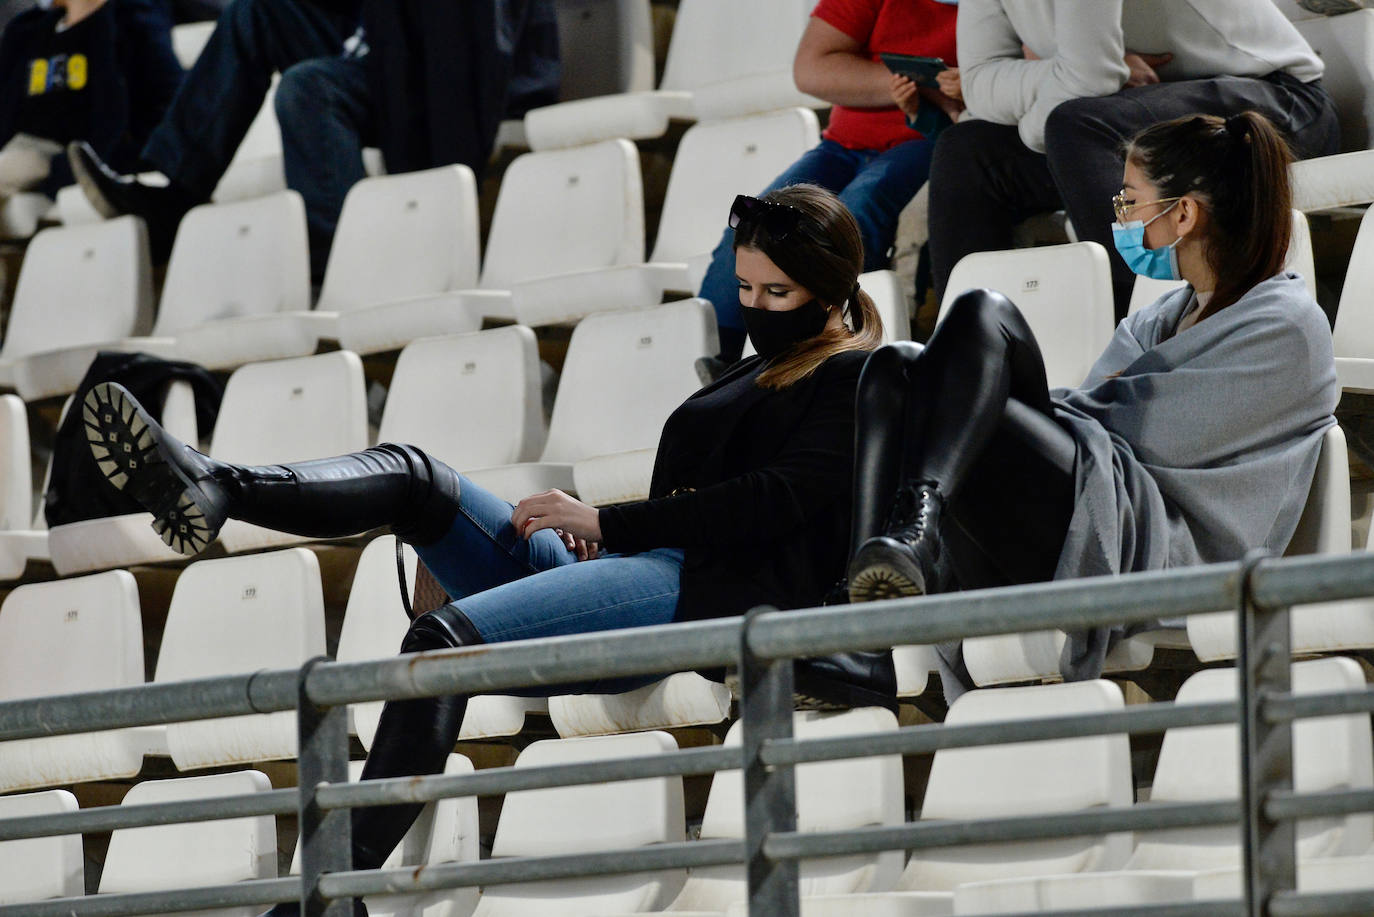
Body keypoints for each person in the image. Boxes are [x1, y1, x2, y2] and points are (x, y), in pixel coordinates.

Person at [82, 183, 887, 907]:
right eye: (744, 288)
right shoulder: (754, 371)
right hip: (640, 569)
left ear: (830, 292)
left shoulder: (851, 377)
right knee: (413, 477)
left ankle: (331, 891)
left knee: (441, 643)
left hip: (698, 597)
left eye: (777, 292)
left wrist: (607, 521)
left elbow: (772, 504)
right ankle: (218, 483)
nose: (755, 307)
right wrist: (607, 543)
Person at [847, 111, 1338, 698]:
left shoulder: (1286, 325)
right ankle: (864, 632)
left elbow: (1138, 431)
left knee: (984, 314)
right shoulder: (1163, 315)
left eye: (1130, 201)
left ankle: (912, 533)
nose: (1121, 218)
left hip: (1144, 545)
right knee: (895, 366)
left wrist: (1085, 400)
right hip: (1095, 499)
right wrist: (1094, 399)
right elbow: (1105, 409)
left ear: (1183, 213)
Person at [66, 0, 559, 276]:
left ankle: (344, 264)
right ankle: (177, 195)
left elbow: (473, 49)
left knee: (309, 88)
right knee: (256, 11)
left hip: (460, 81)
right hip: (391, 57)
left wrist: (438, 184)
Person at [928, 0, 1340, 321]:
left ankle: (1143, 340)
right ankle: (964, 356)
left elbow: (1088, 79)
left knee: (1076, 126)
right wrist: (1071, 75)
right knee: (966, 150)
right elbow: (980, 84)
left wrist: (1038, 120)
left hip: (1275, 102)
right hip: (1143, 113)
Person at [697, 0, 960, 365]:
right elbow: (812, 68)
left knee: (852, 215)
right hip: (841, 145)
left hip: (930, 139)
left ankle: (821, 355)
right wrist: (921, 86)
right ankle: (717, 361)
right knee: (750, 223)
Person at [0, 0, 182, 201]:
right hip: (21, 152)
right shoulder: (26, 31)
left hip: (79, 157)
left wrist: (61, 169)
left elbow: (159, 108)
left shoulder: (133, 20)